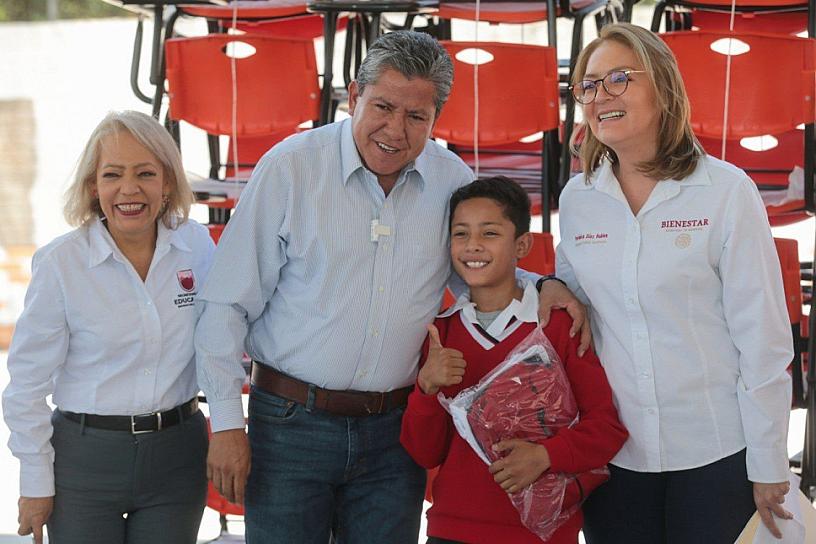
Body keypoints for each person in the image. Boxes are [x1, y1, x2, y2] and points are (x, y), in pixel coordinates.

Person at [195, 30, 587, 544]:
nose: (395, 130)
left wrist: (545, 285)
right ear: (355, 96)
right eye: (382, 107)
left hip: (393, 436)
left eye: (416, 116)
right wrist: (227, 423)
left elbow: (481, 274)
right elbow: (226, 304)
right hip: (289, 425)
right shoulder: (291, 167)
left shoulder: (450, 180)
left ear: (436, 118)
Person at [554, 23, 794, 543]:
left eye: (619, 78)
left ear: (663, 87)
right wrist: (550, 285)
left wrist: (769, 459)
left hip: (716, 452)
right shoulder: (577, 199)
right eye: (588, 86)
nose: (600, 96)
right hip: (614, 456)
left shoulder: (726, 191)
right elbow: (572, 312)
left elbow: (763, 339)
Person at [2, 110, 215, 544]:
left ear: (168, 183)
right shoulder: (61, 263)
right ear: (92, 187)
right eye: (113, 174)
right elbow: (26, 384)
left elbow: (222, 342)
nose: (129, 189)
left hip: (177, 459)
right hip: (83, 463)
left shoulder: (196, 245)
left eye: (146, 173)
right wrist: (35, 482)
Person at [400, 176, 628, 544]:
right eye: (461, 234)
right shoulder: (440, 333)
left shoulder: (558, 325)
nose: (473, 245)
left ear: (522, 244)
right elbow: (425, 453)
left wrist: (545, 456)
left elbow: (606, 429)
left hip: (543, 534)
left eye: (489, 233)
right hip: (452, 529)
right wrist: (426, 389)